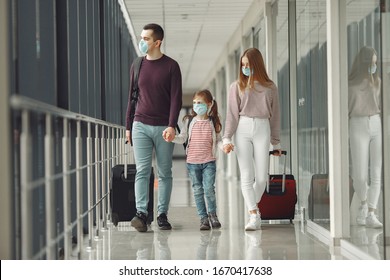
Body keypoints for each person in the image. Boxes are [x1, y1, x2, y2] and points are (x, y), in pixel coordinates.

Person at [125, 23, 183, 232]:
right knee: (142, 171)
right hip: (140, 124)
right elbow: (132, 97)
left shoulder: (171, 66)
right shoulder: (137, 65)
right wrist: (128, 126)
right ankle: (141, 213)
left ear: (157, 42)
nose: (142, 42)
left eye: (146, 38)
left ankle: (161, 214)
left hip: (163, 128)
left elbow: (176, 99)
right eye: (142, 37)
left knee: (164, 172)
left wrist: (171, 125)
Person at [222, 48, 281, 231]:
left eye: (248, 64)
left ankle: (251, 204)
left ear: (257, 64)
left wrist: (276, 141)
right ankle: (254, 214)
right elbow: (231, 115)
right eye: (243, 65)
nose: (245, 68)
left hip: (263, 127)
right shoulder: (236, 86)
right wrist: (226, 138)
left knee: (262, 177)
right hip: (243, 128)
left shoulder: (270, 87)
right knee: (246, 175)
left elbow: (276, 115)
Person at [166, 89, 223, 230]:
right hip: (192, 163)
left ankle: (212, 215)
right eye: (194, 103)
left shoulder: (213, 121)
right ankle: (203, 218)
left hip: (209, 161)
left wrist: (225, 146)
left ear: (209, 104)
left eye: (200, 103)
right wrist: (173, 138)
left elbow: (219, 140)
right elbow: (183, 138)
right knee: (197, 190)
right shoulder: (189, 121)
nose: (196, 105)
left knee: (209, 189)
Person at [348, 46, 383, 228]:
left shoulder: (378, 83)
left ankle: (371, 212)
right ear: (364, 64)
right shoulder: (350, 85)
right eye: (372, 63)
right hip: (357, 123)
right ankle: (363, 201)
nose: (374, 67)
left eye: (375, 64)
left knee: (376, 172)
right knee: (360, 175)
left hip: (376, 123)